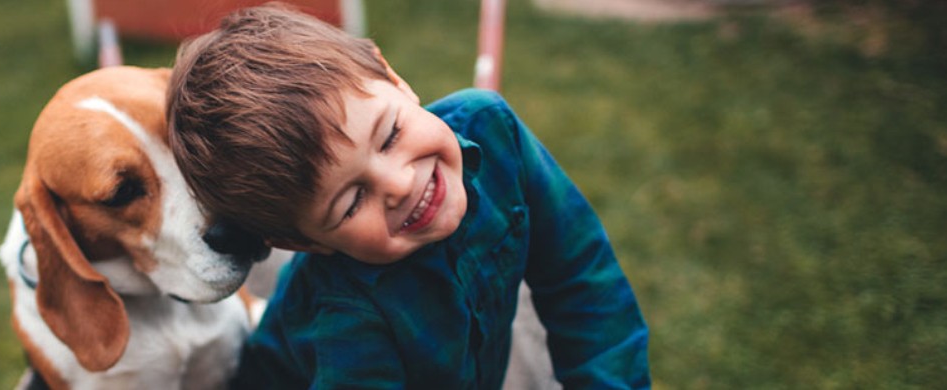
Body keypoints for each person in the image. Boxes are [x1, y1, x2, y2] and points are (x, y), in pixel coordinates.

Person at [167, 5, 649, 389]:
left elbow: (582, 278)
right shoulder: (350, 325)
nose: (399, 186)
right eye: (352, 202)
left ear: (390, 76)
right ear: (308, 244)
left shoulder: (494, 130)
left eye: (390, 134)